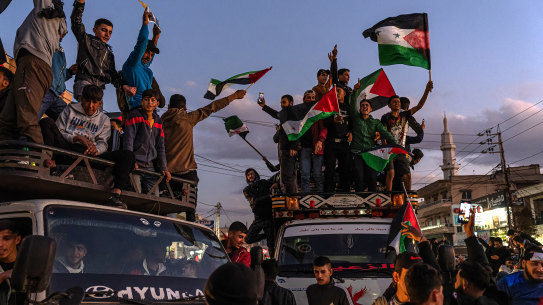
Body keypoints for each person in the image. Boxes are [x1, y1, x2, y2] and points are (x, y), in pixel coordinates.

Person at [40, 85, 135, 208]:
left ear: (100, 103)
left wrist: (97, 150)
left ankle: (115, 195)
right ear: (82, 100)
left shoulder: (104, 119)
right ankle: (48, 160)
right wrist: (77, 138)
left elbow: (103, 143)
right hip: (67, 150)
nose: (91, 106)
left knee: (127, 155)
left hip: (91, 157)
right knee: (46, 122)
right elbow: (59, 130)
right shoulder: (70, 109)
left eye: (95, 103)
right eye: (88, 101)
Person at [161, 89, 246, 216]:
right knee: (189, 211)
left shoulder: (159, 122)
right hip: (186, 173)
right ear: (184, 107)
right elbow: (211, 107)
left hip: (165, 173)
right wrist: (234, 96)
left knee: (164, 209)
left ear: (168, 107)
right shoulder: (187, 119)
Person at [0, 0, 67, 144]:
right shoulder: (53, 18)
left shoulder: (47, 6)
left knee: (27, 119)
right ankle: (9, 157)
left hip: (33, 65)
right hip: (30, 67)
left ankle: (31, 159)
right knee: (7, 120)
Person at [70, 0, 133, 101]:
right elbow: (76, 23)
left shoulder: (109, 54)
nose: (107, 34)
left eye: (110, 32)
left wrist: (124, 86)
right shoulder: (86, 39)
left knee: (96, 115)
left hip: (99, 89)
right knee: (86, 108)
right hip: (85, 82)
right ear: (95, 30)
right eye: (104, 30)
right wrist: (80, 4)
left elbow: (113, 76)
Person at [381, 82, 432, 191]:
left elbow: (419, 106)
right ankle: (388, 198)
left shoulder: (405, 116)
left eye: (398, 102)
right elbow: (383, 134)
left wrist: (427, 90)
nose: (396, 103)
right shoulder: (385, 117)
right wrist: (385, 149)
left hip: (401, 151)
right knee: (390, 173)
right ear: (389, 105)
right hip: (389, 151)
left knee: (407, 175)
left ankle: (409, 198)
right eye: (394, 102)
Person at [124, 89, 171, 195]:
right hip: (135, 164)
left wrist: (164, 168)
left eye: (153, 100)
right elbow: (128, 140)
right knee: (135, 193)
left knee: (154, 197)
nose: (149, 103)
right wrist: (130, 161)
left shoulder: (159, 122)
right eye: (146, 99)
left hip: (150, 167)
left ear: (157, 104)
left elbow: (160, 147)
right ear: (142, 102)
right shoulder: (135, 115)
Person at [349, 99, 395, 192]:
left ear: (371, 109)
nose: (364, 107)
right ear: (360, 109)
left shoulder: (375, 122)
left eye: (366, 105)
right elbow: (353, 104)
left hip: (370, 154)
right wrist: (354, 92)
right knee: (359, 176)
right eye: (362, 105)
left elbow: (385, 133)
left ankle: (372, 201)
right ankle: (360, 201)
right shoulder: (355, 118)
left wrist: (395, 144)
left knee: (372, 177)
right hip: (356, 153)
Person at [258, 94, 300, 194]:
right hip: (283, 150)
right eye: (281, 103)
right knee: (286, 176)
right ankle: (290, 197)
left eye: (284, 102)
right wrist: (264, 106)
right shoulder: (284, 115)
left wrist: (294, 146)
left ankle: (291, 198)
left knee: (288, 177)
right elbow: (276, 114)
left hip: (289, 151)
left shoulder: (293, 115)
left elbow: (297, 130)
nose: (281, 105)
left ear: (291, 103)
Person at [122, 10, 161, 110]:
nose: (149, 57)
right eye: (147, 52)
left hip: (149, 109)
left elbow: (150, 57)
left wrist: (156, 37)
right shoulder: (133, 64)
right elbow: (142, 44)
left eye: (152, 54)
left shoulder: (144, 67)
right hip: (138, 108)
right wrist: (145, 24)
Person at [37, 38, 76, 121]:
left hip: (54, 95)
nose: (65, 32)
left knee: (70, 119)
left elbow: (57, 74)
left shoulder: (59, 49)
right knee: (30, 120)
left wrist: (69, 72)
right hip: (44, 91)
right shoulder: (46, 43)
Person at [323, 86, 352, 192]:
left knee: (345, 169)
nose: (336, 93)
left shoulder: (349, 108)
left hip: (344, 143)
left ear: (344, 93)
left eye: (339, 91)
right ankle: (328, 194)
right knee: (329, 170)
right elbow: (324, 122)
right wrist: (333, 121)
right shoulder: (330, 107)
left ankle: (345, 192)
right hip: (331, 142)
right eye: (334, 91)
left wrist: (351, 132)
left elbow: (353, 123)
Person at [299, 90, 327, 193]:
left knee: (318, 175)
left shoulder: (318, 113)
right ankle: (306, 199)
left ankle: (321, 200)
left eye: (313, 98)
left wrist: (320, 141)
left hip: (317, 148)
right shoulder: (299, 114)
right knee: (305, 176)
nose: (311, 99)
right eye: (308, 97)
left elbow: (324, 129)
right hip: (305, 148)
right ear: (304, 99)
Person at [243, 168, 276, 253]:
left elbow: (274, 183)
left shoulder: (263, 183)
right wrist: (269, 196)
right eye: (248, 175)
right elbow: (255, 201)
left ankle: (273, 262)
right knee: (248, 239)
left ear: (256, 174)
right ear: (247, 177)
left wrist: (275, 185)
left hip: (268, 217)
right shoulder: (247, 190)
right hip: (258, 219)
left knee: (271, 245)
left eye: (252, 174)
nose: (251, 176)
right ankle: (265, 235)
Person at [0, 220, 22, 305]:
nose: (0, 244)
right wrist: (3, 275)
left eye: (6, 238)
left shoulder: (30, 259)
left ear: (17, 239)